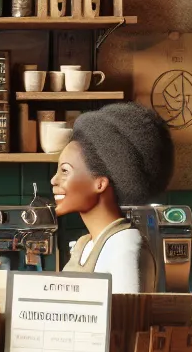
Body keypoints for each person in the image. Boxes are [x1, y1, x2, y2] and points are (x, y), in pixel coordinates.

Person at [50, 102, 175, 293]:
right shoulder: (85, 245)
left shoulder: (125, 245)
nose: (53, 180)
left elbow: (128, 320)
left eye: (65, 171)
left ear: (99, 183)